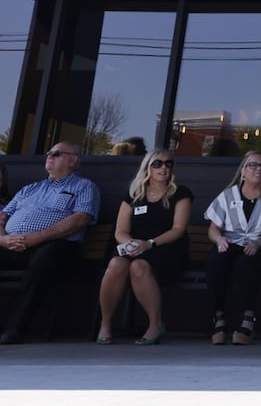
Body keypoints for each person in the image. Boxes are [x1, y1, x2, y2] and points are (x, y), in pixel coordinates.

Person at [0, 142, 100, 344]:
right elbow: (1, 217)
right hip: (11, 244)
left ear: (73, 160)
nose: (50, 156)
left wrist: (37, 237)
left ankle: (15, 328)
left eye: (56, 153)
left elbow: (80, 219)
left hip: (55, 245)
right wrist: (2, 239)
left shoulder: (84, 186)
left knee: (45, 258)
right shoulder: (30, 189)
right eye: (49, 153)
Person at [96, 149, 191, 344]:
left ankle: (155, 324)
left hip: (165, 247)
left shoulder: (180, 193)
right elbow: (120, 231)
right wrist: (129, 243)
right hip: (134, 246)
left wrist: (149, 243)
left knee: (138, 266)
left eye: (167, 164)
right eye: (157, 163)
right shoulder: (133, 195)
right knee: (116, 264)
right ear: (147, 167)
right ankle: (105, 324)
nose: (163, 168)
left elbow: (178, 229)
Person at [203, 150, 261, 346]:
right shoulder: (228, 195)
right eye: (252, 165)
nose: (257, 169)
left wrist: (260, 242)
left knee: (246, 264)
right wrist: (219, 239)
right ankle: (218, 318)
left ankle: (247, 320)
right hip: (230, 244)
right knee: (215, 262)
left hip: (258, 247)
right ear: (243, 171)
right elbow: (213, 228)